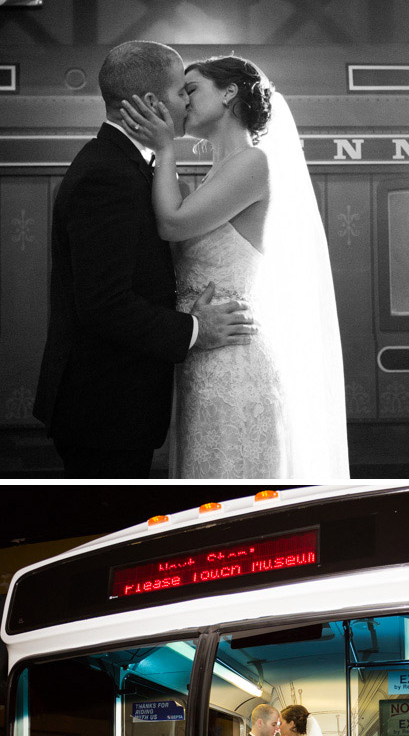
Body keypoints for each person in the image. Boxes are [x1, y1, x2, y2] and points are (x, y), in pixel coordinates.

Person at [119, 54, 350, 479]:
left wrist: (165, 147)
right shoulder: (217, 173)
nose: (182, 102)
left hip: (235, 361)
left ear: (229, 93)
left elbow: (171, 224)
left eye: (191, 89)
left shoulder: (253, 163)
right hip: (205, 352)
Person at [33, 40, 255, 477]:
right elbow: (104, 305)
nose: (186, 103)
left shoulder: (122, 166)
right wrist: (196, 328)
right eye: (180, 93)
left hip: (113, 406)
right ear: (152, 102)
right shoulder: (107, 176)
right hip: (103, 410)